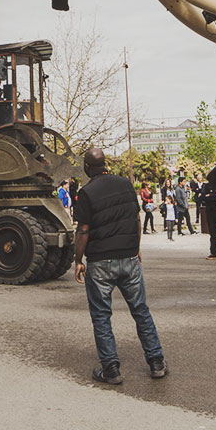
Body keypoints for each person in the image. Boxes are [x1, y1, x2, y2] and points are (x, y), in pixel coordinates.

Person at [73, 148, 167, 384]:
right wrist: (135, 247)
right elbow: (136, 219)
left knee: (102, 316)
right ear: (106, 164)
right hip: (129, 259)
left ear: (86, 167)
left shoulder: (86, 193)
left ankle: (111, 369)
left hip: (100, 263)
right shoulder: (126, 185)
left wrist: (78, 261)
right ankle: (156, 362)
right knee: (140, 310)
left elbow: (83, 230)